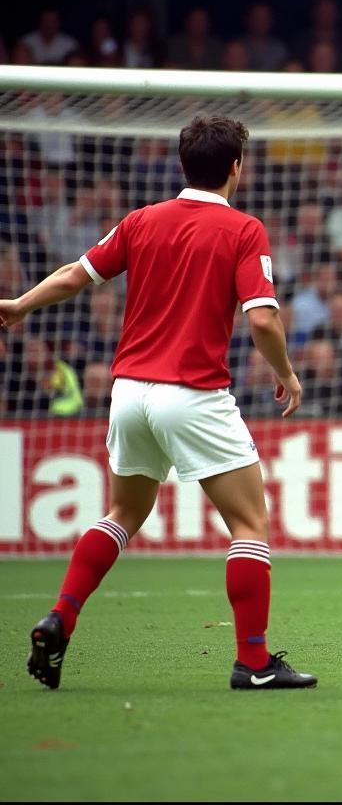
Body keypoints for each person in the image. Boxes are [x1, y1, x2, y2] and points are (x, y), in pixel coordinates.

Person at [0, 115, 316, 690]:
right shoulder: (243, 230)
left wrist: (20, 305)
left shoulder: (142, 221)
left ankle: (60, 617)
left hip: (128, 394)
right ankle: (253, 662)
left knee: (122, 514)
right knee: (248, 522)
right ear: (236, 168)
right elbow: (264, 320)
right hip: (192, 394)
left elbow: (76, 275)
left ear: (182, 165)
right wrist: (288, 376)